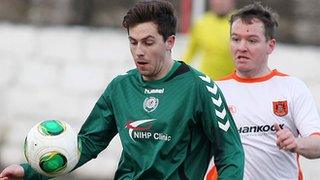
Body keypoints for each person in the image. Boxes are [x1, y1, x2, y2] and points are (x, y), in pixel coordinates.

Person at [0, 0, 244, 179]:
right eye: (133, 42)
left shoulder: (199, 88)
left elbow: (230, 152)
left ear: (169, 42)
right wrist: (29, 170)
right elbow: (88, 143)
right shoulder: (121, 87)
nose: (139, 51)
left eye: (148, 42)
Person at [209, 2, 320, 180]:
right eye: (235, 39)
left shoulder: (292, 87)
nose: (241, 47)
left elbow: (317, 144)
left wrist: (296, 143)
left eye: (252, 40)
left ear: (271, 45)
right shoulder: (213, 91)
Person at [183, 0, 235, 80]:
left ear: (232, 2)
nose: (220, 3)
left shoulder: (239, 22)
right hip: (207, 80)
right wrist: (177, 72)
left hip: (232, 80)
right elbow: (189, 53)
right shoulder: (202, 23)